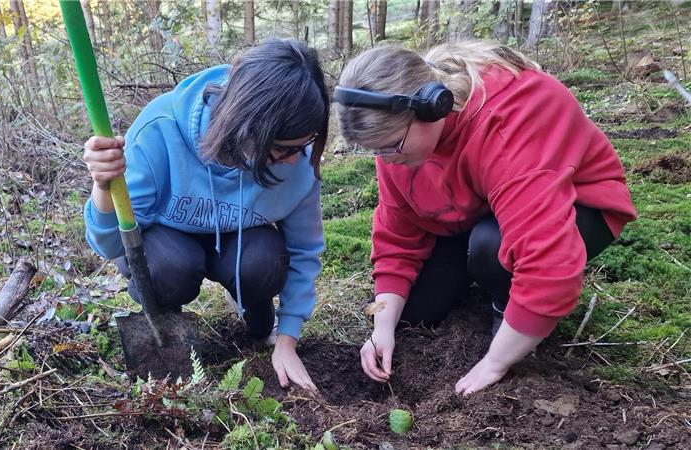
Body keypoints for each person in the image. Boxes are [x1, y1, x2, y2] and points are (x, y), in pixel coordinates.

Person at [333, 41, 637, 395]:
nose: (385, 160)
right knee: (415, 311)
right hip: (475, 212)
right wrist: (380, 328)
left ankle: (507, 307)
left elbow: (550, 265)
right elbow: (398, 236)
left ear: (433, 108)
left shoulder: (509, 120)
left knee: (491, 246)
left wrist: (496, 362)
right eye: (376, 152)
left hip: (580, 208)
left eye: (391, 147)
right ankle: (485, 278)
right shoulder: (399, 149)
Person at [82, 39, 328, 392]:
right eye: (282, 149)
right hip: (167, 244)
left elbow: (305, 251)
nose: (294, 159)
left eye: (303, 145)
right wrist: (103, 186)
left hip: (239, 241)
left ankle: (255, 314)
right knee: (170, 268)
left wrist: (288, 339)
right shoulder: (160, 130)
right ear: (246, 127)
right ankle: (168, 327)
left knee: (264, 262)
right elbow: (109, 245)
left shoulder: (298, 164)